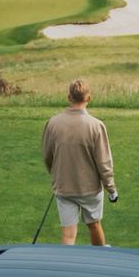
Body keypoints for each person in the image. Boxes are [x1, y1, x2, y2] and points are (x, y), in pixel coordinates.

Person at [41, 78, 117, 246]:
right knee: (94, 225)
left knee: (68, 234)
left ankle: (66, 263)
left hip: (64, 187)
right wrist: (111, 189)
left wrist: (56, 175)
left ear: (69, 97)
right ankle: (99, 257)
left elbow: (47, 155)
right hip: (90, 189)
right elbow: (104, 162)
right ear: (88, 98)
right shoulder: (96, 126)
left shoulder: (53, 123)